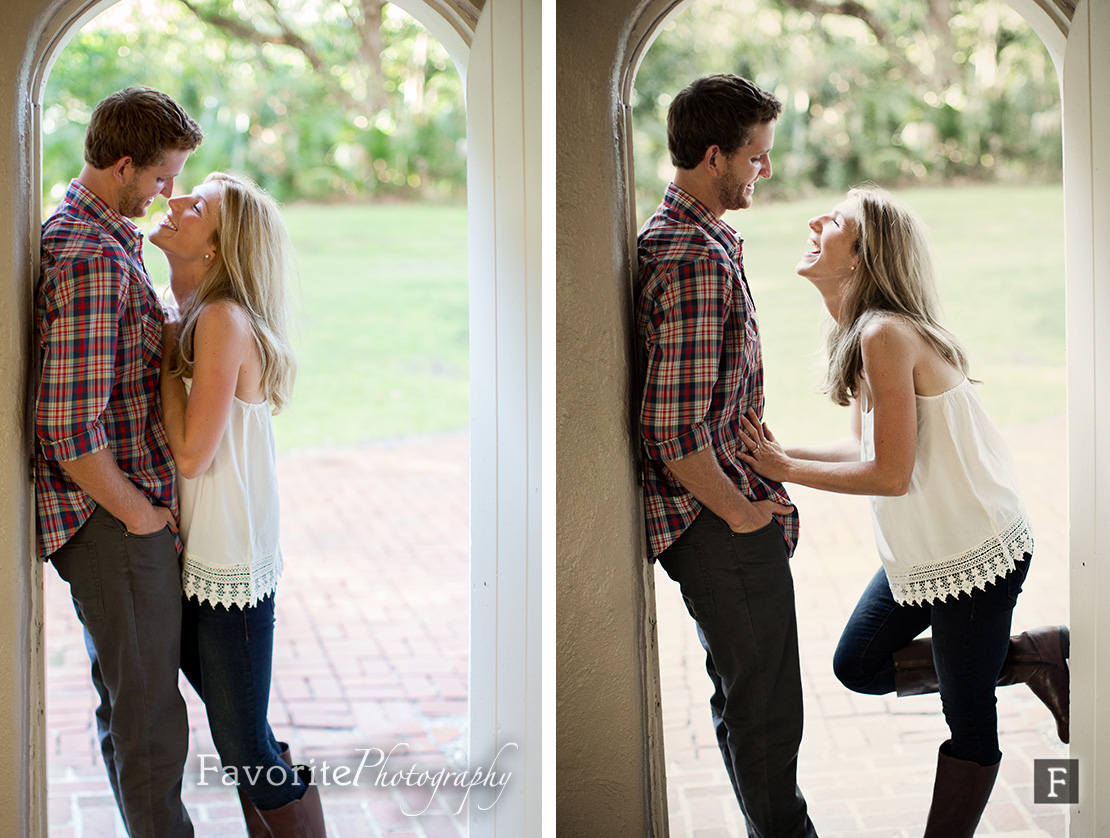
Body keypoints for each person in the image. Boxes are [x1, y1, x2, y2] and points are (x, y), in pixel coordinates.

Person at [738, 185, 1069, 837]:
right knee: (857, 664)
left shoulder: (886, 334)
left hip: (974, 554)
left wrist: (784, 471)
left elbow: (888, 475)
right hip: (926, 553)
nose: (813, 221)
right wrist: (780, 450)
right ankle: (1032, 657)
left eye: (833, 220)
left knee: (968, 720)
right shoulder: (867, 331)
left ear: (864, 256)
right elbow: (872, 447)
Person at [635, 74, 819, 837]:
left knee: (749, 699)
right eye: (756, 157)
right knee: (768, 709)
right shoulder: (696, 260)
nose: (763, 172)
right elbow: (670, 430)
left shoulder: (690, 237)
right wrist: (744, 511)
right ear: (715, 156)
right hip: (717, 522)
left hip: (722, 512)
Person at [36, 86, 202, 838]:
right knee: (149, 724)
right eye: (163, 177)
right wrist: (139, 513)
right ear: (125, 164)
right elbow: (67, 425)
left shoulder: (90, 231)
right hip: (112, 522)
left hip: (119, 517)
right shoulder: (94, 257)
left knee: (132, 709)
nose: (168, 194)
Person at [152, 171, 325, 837]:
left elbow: (193, 454)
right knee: (243, 740)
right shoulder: (200, 313)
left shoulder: (220, 321)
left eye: (197, 205)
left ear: (216, 250)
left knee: (245, 749)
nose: (175, 201)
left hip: (227, 569)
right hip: (201, 557)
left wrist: (168, 349)